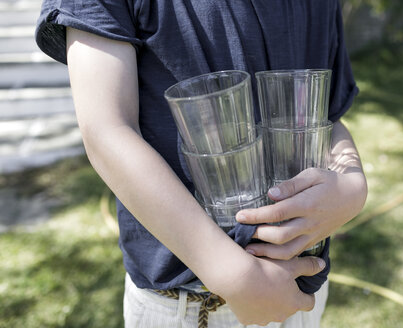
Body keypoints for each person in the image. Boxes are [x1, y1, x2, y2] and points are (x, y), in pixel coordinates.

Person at [36, 0, 367, 327]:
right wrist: (235, 275)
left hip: (301, 286)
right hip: (192, 305)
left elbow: (326, 115)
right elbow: (106, 130)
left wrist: (353, 185)